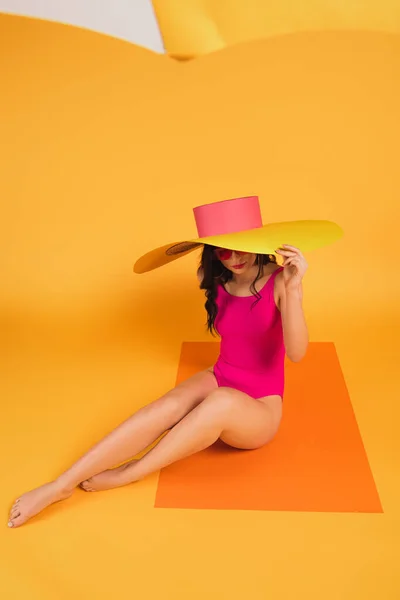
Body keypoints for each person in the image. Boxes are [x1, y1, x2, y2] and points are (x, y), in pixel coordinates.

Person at [8, 195, 340, 528]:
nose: (235, 258)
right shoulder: (215, 278)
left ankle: (133, 472)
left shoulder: (282, 280)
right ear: (211, 251)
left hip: (261, 408)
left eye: (241, 246)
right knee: (166, 406)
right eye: (223, 249)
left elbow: (297, 353)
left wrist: (295, 290)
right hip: (222, 375)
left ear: (257, 241)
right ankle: (60, 485)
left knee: (219, 402)